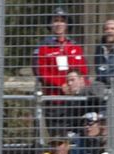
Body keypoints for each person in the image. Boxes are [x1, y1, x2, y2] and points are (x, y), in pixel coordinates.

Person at [34, 7, 89, 138]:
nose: (59, 24)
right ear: (51, 24)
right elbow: (41, 72)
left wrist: (80, 85)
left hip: (76, 102)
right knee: (58, 140)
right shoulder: (44, 48)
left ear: (67, 24)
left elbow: (84, 71)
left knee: (77, 137)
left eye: (62, 21)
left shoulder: (74, 47)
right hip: (55, 102)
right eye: (55, 20)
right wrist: (61, 85)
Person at [93, 18, 114, 87]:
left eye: (112, 29)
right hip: (102, 89)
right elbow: (98, 71)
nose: (109, 31)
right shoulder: (99, 49)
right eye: (107, 29)